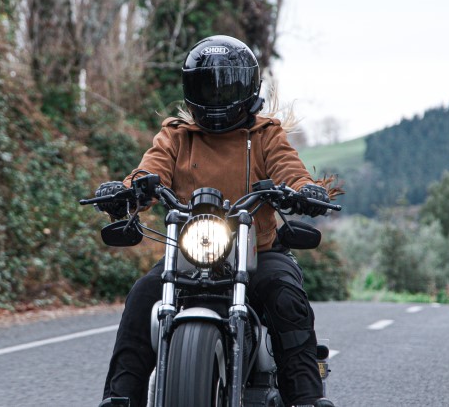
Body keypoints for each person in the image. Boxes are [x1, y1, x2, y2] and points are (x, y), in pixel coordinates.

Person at [96, 35, 337, 407]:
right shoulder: (177, 136)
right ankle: (119, 399)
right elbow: (150, 170)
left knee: (286, 297)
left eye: (225, 87)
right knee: (143, 295)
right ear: (191, 88)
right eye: (207, 86)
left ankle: (306, 399)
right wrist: (128, 190)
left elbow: (289, 170)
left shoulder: (265, 134)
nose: (216, 96)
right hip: (190, 253)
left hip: (257, 251)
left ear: (247, 88)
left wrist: (304, 189)